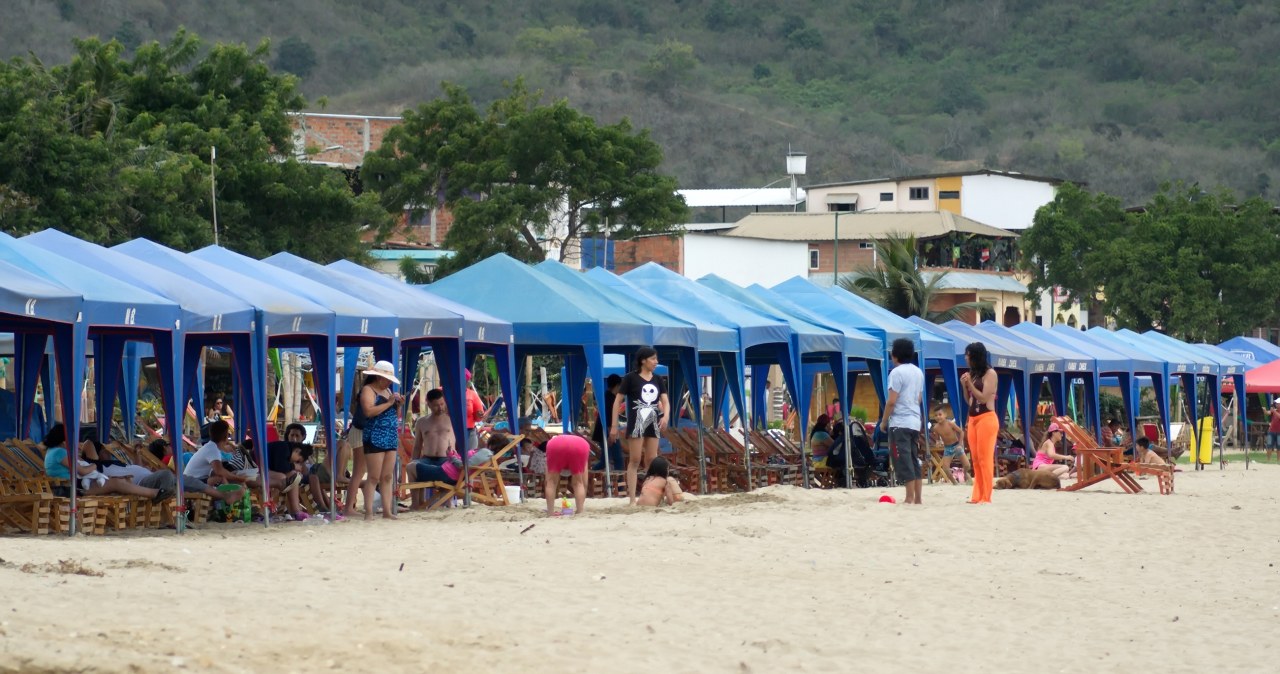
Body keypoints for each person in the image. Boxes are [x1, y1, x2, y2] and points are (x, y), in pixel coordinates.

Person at [42, 424, 173, 502]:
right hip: (73, 489)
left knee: (118, 481)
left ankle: (155, 493)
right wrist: (94, 464)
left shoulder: (53, 452)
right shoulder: (60, 452)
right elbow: (82, 470)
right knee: (117, 483)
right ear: (63, 440)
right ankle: (154, 493)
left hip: (77, 485)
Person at [610, 347, 669, 506]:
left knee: (652, 459)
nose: (656, 362)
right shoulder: (630, 378)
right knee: (635, 460)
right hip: (636, 422)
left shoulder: (658, 379)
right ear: (643, 360)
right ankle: (631, 499)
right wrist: (614, 425)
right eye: (653, 359)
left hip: (653, 422)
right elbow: (618, 401)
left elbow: (665, 401)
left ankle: (649, 495)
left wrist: (666, 416)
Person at [353, 360, 404, 521]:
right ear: (377, 377)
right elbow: (368, 411)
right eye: (386, 378)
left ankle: (387, 510)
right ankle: (368, 511)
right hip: (375, 435)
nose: (388, 381)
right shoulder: (368, 390)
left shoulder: (388, 391)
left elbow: (394, 415)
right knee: (374, 476)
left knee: (387, 476)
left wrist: (398, 406)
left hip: (389, 435)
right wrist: (389, 403)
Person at [881, 338, 925, 505]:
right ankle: (918, 498)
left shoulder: (896, 373)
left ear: (895, 355)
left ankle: (909, 497)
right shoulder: (918, 372)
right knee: (914, 459)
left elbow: (891, 401)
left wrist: (884, 422)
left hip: (900, 422)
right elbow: (919, 398)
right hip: (915, 421)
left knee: (903, 459)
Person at [962, 342, 998, 504]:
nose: (966, 357)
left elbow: (983, 398)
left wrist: (970, 384)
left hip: (986, 418)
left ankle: (986, 496)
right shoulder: (974, 374)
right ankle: (977, 495)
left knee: (985, 458)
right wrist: (965, 386)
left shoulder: (990, 374)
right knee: (975, 459)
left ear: (975, 356)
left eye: (968, 354)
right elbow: (969, 400)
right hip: (973, 419)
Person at [407, 389, 454, 510]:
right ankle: (416, 503)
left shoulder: (452, 420)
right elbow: (417, 445)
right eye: (436, 405)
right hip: (427, 459)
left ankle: (448, 502)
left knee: (448, 469)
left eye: (442, 404)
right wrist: (414, 460)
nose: (440, 408)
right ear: (429, 404)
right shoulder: (422, 422)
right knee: (410, 466)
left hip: (446, 460)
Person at [266, 422, 311, 520]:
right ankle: (295, 510)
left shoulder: (285, 448)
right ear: (297, 451)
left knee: (292, 475)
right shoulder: (284, 447)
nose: (296, 462)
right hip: (255, 469)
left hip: (263, 469)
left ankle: (295, 510)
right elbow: (281, 467)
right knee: (287, 476)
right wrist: (293, 465)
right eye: (298, 460)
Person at [544, 433, 590, 516]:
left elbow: (547, 481)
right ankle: (580, 511)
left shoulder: (553, 442)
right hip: (580, 445)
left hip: (555, 445)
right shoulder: (581, 443)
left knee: (551, 482)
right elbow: (585, 482)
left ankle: (550, 512)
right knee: (578, 483)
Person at [590, 374, 625, 471]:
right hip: (608, 431)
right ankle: (620, 485)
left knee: (605, 460)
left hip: (604, 431)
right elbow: (609, 417)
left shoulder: (606, 396)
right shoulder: (611, 399)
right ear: (617, 385)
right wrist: (612, 433)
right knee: (618, 460)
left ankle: (590, 474)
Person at [930, 407, 970, 480]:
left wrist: (960, 444)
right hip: (948, 448)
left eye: (940, 414)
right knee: (945, 468)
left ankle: (965, 473)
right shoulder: (936, 428)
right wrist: (938, 442)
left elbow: (961, 432)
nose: (938, 417)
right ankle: (954, 482)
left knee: (967, 465)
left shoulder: (950, 423)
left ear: (945, 415)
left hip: (956, 445)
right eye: (936, 415)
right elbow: (938, 438)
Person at [464, 368, 485, 451]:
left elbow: (478, 418)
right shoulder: (442, 391)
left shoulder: (472, 394)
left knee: (469, 457)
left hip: (469, 431)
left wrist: (479, 415)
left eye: (465, 381)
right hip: (448, 431)